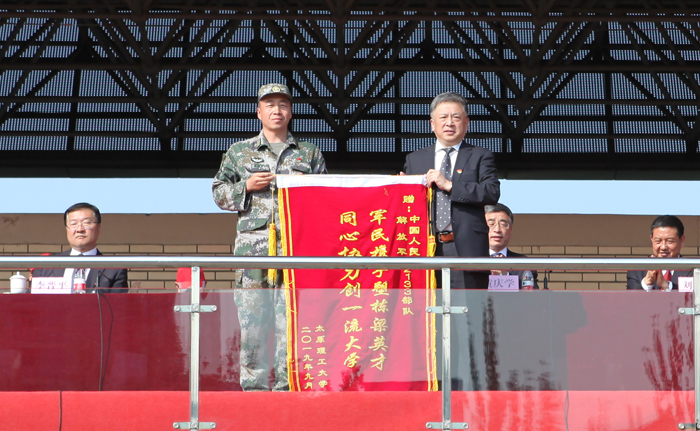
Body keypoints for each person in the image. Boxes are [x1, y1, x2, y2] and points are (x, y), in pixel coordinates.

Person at [212, 83, 327, 391]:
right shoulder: (239, 152)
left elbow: (326, 199)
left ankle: (288, 391)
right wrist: (246, 186)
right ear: (258, 112)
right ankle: (254, 392)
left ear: (291, 112)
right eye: (270, 105)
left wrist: (307, 188)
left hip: (296, 253)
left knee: (292, 325)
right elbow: (219, 194)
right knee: (252, 327)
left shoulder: (309, 153)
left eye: (283, 104)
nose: (277, 110)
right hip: (254, 254)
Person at [403, 91, 500, 289]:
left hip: (467, 248)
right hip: (426, 247)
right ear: (432, 124)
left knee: (469, 307)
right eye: (443, 117)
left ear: (466, 123)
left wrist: (450, 185)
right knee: (428, 305)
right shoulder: (415, 159)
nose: (449, 123)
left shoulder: (480, 155)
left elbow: (491, 192)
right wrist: (402, 189)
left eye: (456, 117)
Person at [32, 202, 128, 293]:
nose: (80, 229)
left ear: (98, 227)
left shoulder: (114, 269)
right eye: (73, 224)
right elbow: (32, 300)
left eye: (86, 223)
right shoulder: (46, 265)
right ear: (66, 229)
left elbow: (118, 303)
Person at [627, 215, 692, 291]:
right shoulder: (636, 270)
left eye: (670, 241)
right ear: (652, 239)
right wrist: (647, 284)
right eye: (658, 241)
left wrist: (667, 286)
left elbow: (692, 296)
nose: (663, 247)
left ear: (682, 241)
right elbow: (631, 298)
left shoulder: (693, 270)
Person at [485, 203, 539, 289]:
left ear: (510, 229)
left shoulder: (524, 263)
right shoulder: (470, 260)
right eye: (491, 224)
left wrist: (505, 275)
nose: (497, 230)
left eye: (503, 224)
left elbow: (532, 294)